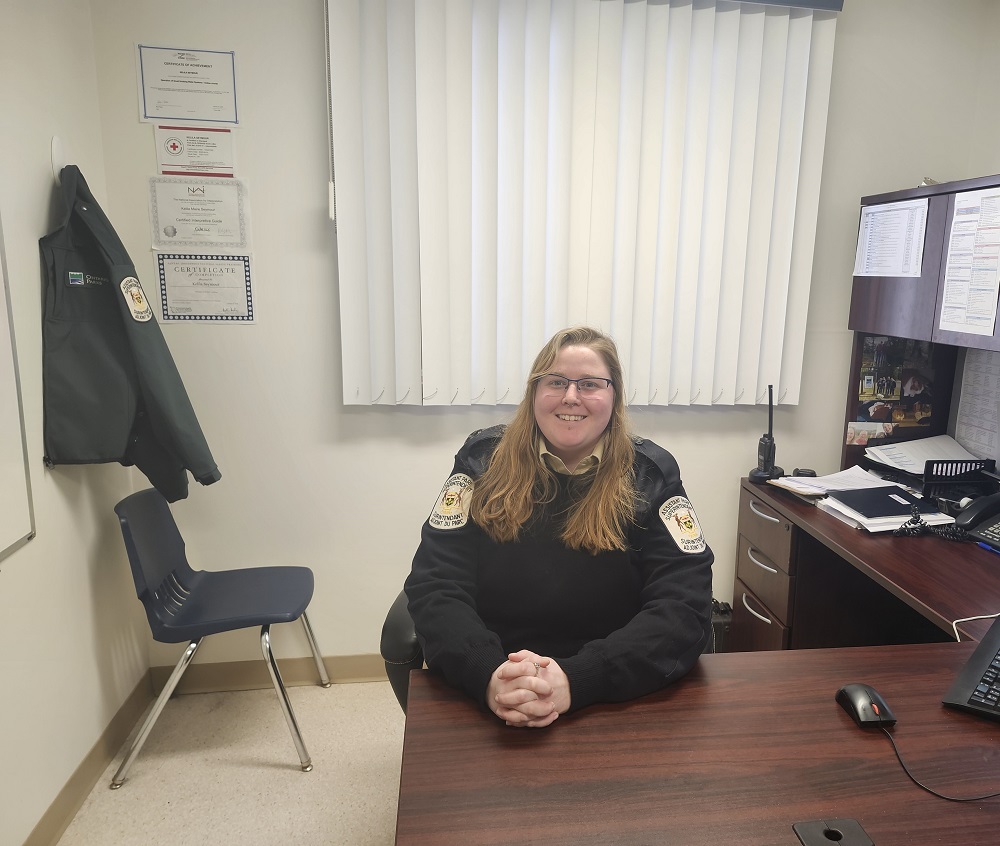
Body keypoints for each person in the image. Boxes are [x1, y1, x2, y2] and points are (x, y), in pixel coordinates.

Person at [404, 326, 714, 728]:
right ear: (534, 393)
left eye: (589, 384)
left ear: (614, 396)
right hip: (496, 679)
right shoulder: (481, 463)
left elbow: (684, 604)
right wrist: (490, 674)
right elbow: (436, 584)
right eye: (555, 382)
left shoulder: (651, 476)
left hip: (610, 689)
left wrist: (575, 679)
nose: (571, 397)